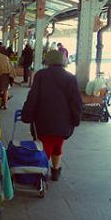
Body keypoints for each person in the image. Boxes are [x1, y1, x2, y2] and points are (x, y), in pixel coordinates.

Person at [21, 50, 83, 181]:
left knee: (44, 147)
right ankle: (55, 171)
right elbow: (76, 101)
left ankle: (40, 173)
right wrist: (76, 119)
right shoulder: (70, 78)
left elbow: (33, 97)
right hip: (64, 121)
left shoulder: (41, 75)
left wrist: (27, 115)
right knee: (57, 145)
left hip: (43, 119)